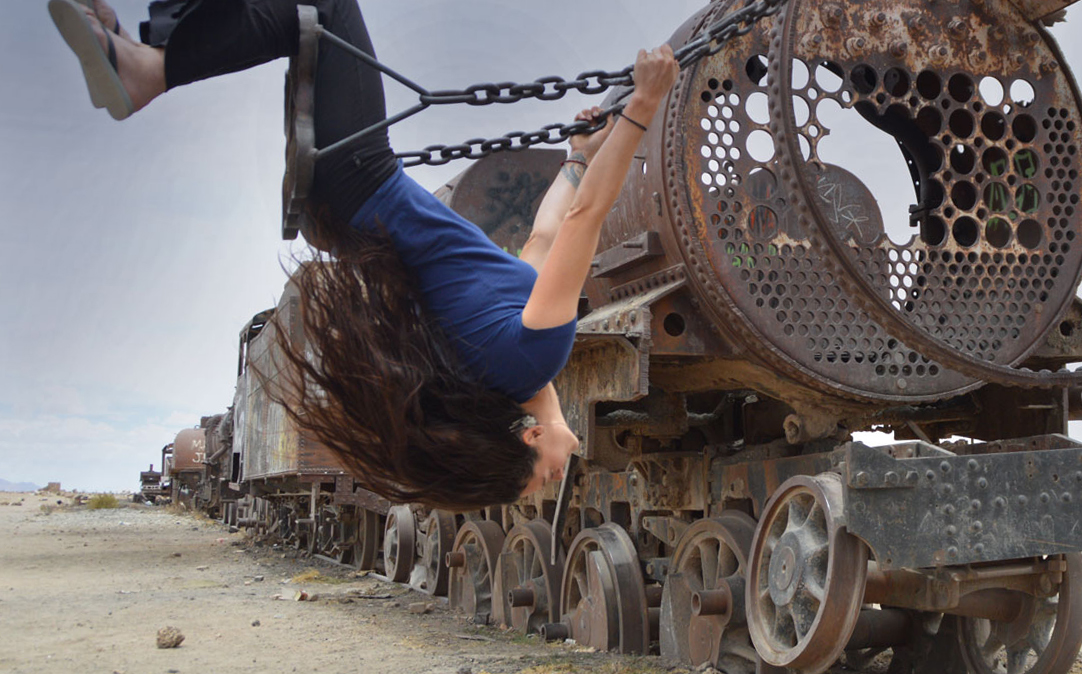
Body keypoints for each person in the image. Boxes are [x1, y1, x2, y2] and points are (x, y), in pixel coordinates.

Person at [49, 0, 680, 509]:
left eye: (541, 477)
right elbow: (545, 239)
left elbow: (584, 219)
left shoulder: (530, 357)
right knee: (307, 21)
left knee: (325, 6)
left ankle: (150, 67)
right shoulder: (502, 369)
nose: (552, 479)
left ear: (533, 437)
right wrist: (577, 155)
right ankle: (149, 46)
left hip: (363, 187)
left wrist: (644, 107)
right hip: (346, 214)